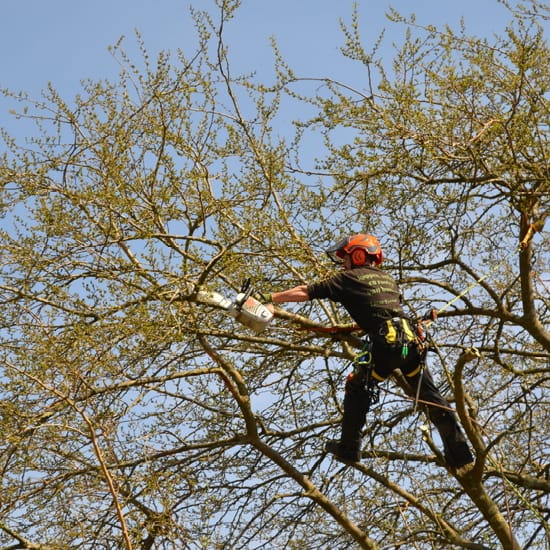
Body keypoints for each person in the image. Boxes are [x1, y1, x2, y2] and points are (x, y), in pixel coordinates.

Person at [262, 234, 474, 469]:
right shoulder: (389, 280)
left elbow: (306, 291)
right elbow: (384, 310)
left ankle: (349, 449)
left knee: (357, 387)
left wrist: (270, 297)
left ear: (359, 255)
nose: (344, 264)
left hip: (387, 346)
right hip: (411, 344)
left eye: (346, 258)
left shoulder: (348, 278)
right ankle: (460, 454)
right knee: (433, 398)